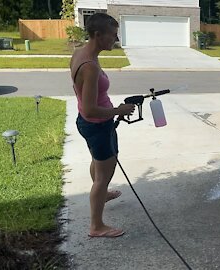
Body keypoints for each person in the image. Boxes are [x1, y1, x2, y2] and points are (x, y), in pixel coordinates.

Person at [70, 13, 135, 238]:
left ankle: (103, 193)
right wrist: (119, 110)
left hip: (91, 123)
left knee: (99, 164)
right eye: (112, 35)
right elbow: (90, 109)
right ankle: (96, 226)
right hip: (96, 125)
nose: (115, 40)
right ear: (98, 35)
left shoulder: (80, 53)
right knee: (103, 175)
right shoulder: (90, 66)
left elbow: (82, 98)